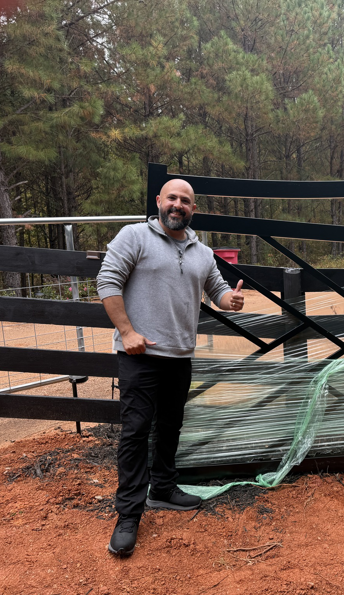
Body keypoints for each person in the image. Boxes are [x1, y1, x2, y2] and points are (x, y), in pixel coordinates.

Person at [97, 179, 245, 556]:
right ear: (159, 201)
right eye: (173, 198)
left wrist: (230, 300)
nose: (178, 204)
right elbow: (107, 282)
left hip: (179, 357)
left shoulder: (202, 252)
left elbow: (217, 290)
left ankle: (162, 489)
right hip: (139, 355)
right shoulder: (134, 236)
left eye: (186, 201)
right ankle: (128, 514)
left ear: (193, 209)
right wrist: (127, 332)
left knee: (169, 426)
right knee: (135, 432)